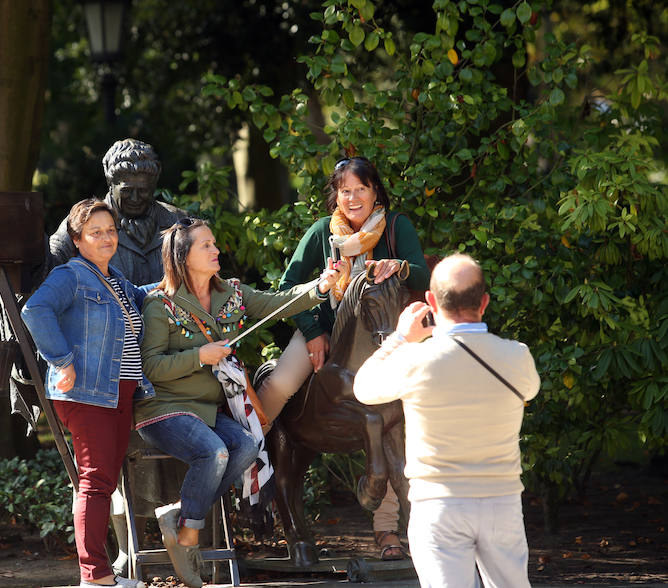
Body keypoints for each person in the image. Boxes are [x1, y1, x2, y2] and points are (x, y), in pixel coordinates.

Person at [135, 218, 341, 588]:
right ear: (183, 256)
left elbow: (279, 304)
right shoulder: (158, 304)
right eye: (207, 246)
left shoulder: (232, 293)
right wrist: (201, 355)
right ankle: (187, 536)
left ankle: (184, 514)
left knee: (247, 446)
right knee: (215, 453)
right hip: (164, 410)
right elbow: (150, 366)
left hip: (209, 410)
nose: (217, 251)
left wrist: (320, 286)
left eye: (215, 244)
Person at [256, 155, 430, 560]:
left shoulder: (397, 227)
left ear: (375, 192)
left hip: (386, 337)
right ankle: (249, 454)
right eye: (344, 190)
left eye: (360, 190)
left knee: (398, 420)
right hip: (326, 332)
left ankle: (388, 531)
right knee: (280, 383)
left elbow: (421, 275)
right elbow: (287, 286)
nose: (352, 198)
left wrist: (400, 266)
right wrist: (314, 333)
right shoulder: (322, 232)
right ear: (336, 195)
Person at [353, 253, 540, 587]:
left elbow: (364, 388)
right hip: (502, 501)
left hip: (438, 505)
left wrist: (400, 338)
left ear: (430, 302)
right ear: (484, 302)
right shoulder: (517, 356)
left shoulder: (415, 359)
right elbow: (531, 389)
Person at [21, 198, 151, 588]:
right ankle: (94, 578)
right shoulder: (72, 275)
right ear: (77, 239)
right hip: (85, 392)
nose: (107, 237)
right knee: (95, 482)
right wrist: (62, 360)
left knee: (105, 482)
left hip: (117, 392)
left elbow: (147, 296)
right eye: (96, 232)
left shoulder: (113, 278)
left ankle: (103, 574)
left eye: (111, 230)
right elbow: (35, 310)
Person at [51, 138, 185, 284]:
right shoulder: (82, 220)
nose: (135, 198)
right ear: (111, 184)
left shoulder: (178, 221)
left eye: (143, 191)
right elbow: (52, 260)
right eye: (126, 191)